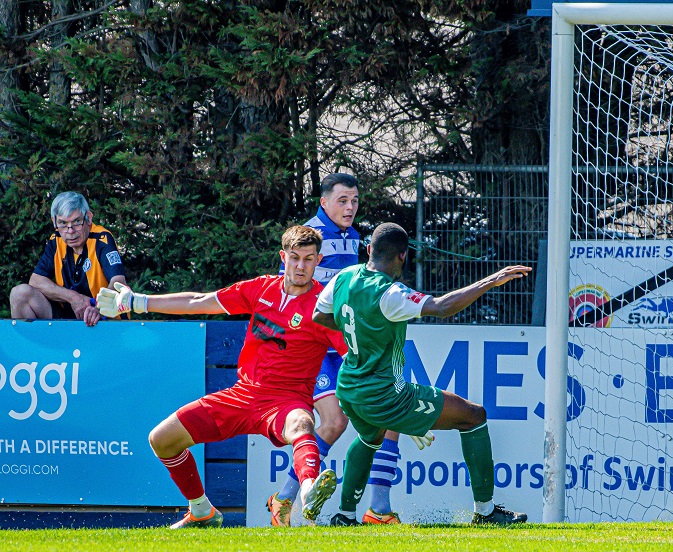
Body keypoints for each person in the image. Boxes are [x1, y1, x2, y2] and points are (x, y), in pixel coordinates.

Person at [97, 226, 344, 528]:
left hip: (287, 401)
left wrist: (400, 410)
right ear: (283, 257)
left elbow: (357, 361)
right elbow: (199, 301)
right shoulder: (261, 289)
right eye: (295, 258)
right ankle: (202, 511)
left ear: (318, 260)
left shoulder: (325, 309)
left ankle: (308, 492)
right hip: (242, 395)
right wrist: (138, 302)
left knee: (302, 423)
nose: (301, 266)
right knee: (161, 439)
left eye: (308, 259)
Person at [313, 222, 531, 526]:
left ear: (368, 250)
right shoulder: (390, 293)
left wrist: (360, 330)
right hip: (386, 395)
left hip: (349, 388)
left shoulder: (343, 278)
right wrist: (490, 281)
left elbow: (319, 314)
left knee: (369, 436)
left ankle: (345, 516)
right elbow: (441, 307)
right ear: (403, 256)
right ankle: (485, 512)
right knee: (474, 416)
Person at [268, 172, 405, 526]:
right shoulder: (310, 238)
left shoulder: (352, 237)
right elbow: (296, 295)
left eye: (355, 201)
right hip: (316, 350)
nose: (350, 207)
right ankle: (284, 498)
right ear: (324, 201)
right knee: (333, 423)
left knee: (389, 418)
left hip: (346, 347)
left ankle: (379, 509)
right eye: (342, 200)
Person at [10, 191, 127, 326]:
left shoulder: (102, 239)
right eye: (63, 223)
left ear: (88, 218)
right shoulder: (56, 239)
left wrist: (99, 309)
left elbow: (119, 283)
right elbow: (36, 281)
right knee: (20, 294)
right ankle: (35, 347)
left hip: (103, 321)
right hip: (68, 319)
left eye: (77, 222)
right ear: (54, 222)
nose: (70, 231)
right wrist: (72, 297)